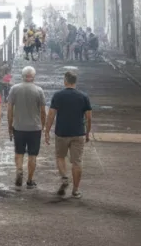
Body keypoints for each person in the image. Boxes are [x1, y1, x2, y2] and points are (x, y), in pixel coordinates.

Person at [45, 70, 92, 199]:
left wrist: (47, 131)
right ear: (75, 82)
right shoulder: (83, 97)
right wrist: (87, 133)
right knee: (77, 162)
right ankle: (76, 190)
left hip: (62, 133)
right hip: (78, 133)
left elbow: (51, 115)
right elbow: (88, 118)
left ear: (65, 81)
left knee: (60, 157)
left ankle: (64, 177)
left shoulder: (58, 96)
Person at [7, 66, 47, 189]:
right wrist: (43, 126)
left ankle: (19, 170)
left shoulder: (14, 89)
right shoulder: (39, 90)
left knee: (19, 152)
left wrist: (10, 126)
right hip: (35, 128)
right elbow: (42, 111)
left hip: (19, 127)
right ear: (33, 76)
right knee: (32, 155)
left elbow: (9, 110)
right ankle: (30, 180)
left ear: (22, 76)